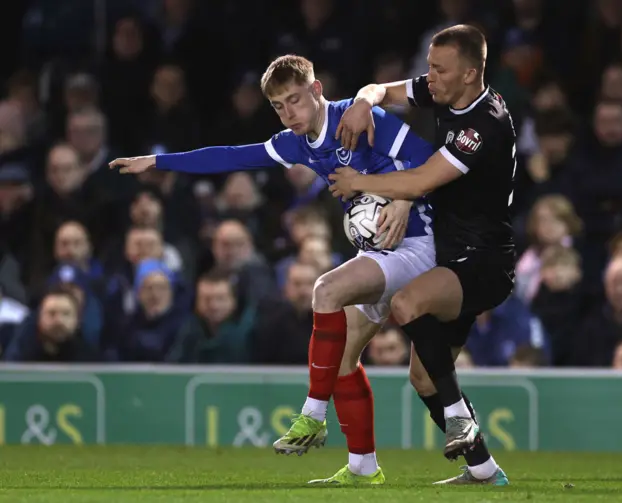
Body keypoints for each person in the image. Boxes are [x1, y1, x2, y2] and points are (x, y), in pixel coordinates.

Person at [110, 54, 438, 485]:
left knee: (326, 290)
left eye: (296, 100)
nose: (289, 113)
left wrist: (404, 197)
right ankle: (364, 468)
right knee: (342, 357)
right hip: (381, 252)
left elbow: (432, 160)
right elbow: (229, 157)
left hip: (421, 243)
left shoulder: (360, 118)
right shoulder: (296, 143)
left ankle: (313, 416)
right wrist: (157, 163)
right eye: (279, 106)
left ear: (317, 91)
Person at [331, 24, 515, 486]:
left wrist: (359, 183)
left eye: (439, 69)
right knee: (425, 379)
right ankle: (484, 471)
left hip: (484, 260)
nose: (428, 76)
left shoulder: (482, 124)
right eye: (428, 66)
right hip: (454, 257)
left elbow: (421, 181)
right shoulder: (444, 93)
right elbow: (382, 89)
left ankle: (459, 417)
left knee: (405, 304)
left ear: (470, 74)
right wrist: (362, 102)